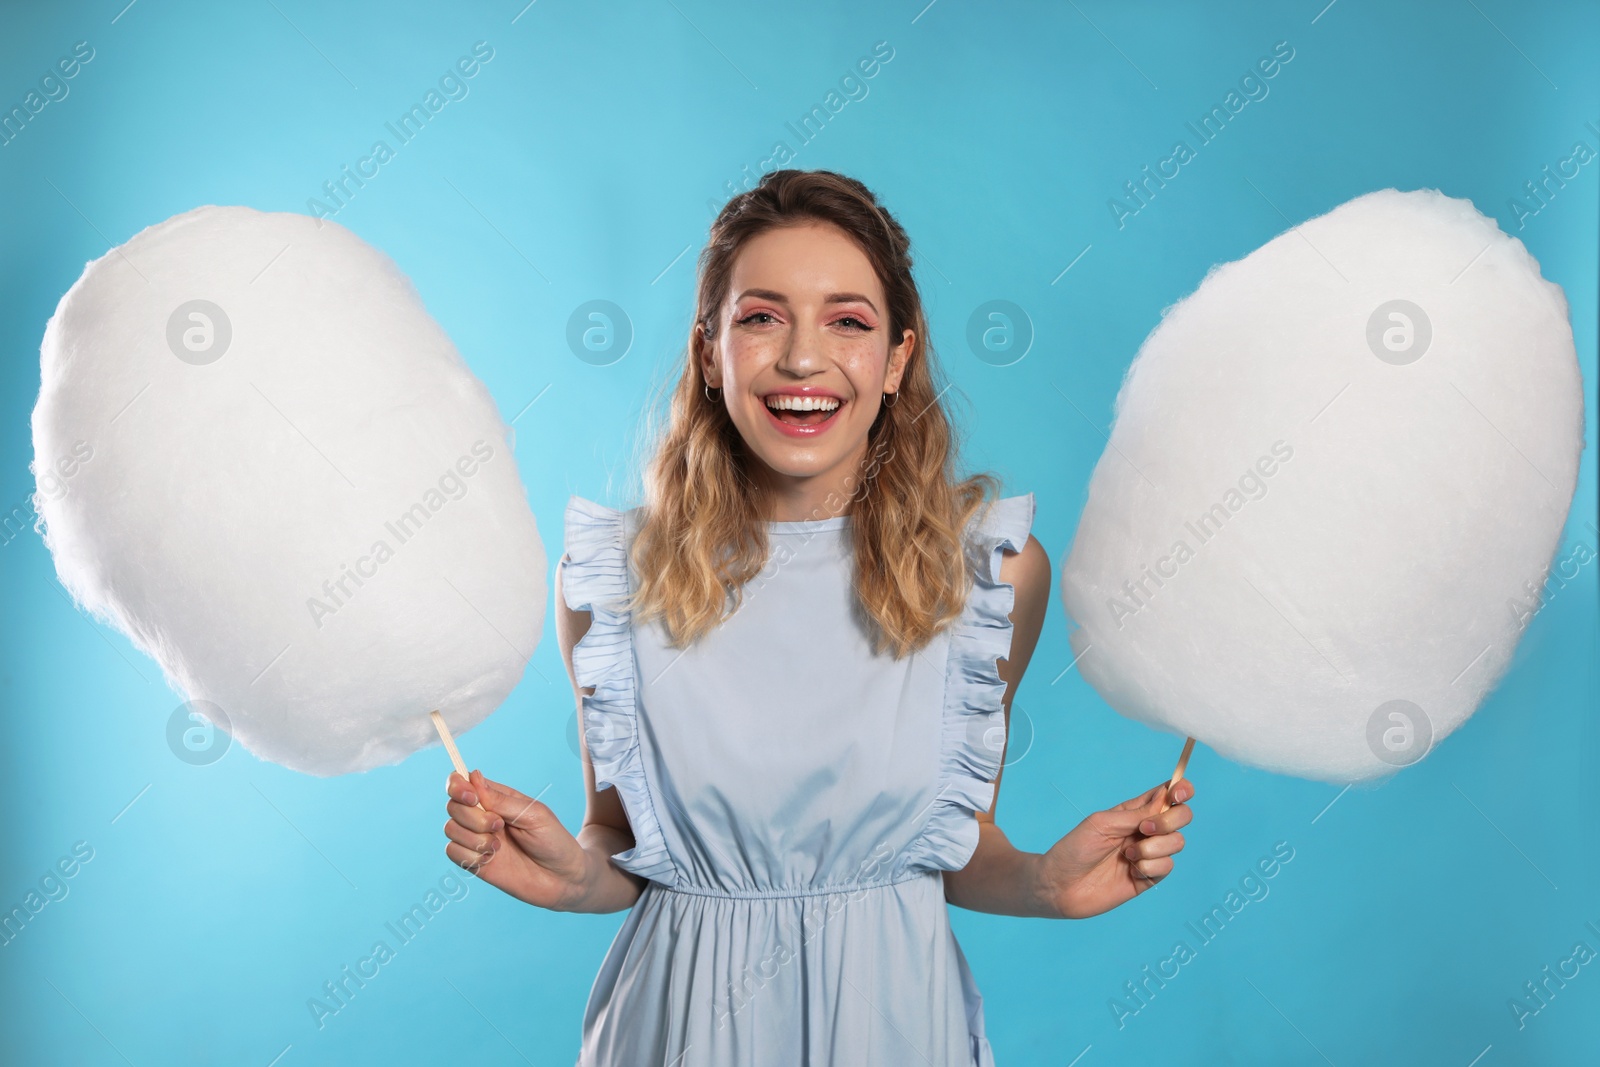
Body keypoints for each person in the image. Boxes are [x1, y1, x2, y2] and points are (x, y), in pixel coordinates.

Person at [443, 169, 1195, 1065]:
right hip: (676, 1030)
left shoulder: (988, 577)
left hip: (895, 1026)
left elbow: (955, 846)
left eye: (848, 320)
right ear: (709, 355)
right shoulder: (613, 580)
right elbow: (621, 840)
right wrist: (572, 878)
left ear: (897, 360)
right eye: (761, 317)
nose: (803, 359)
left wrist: (1042, 883)